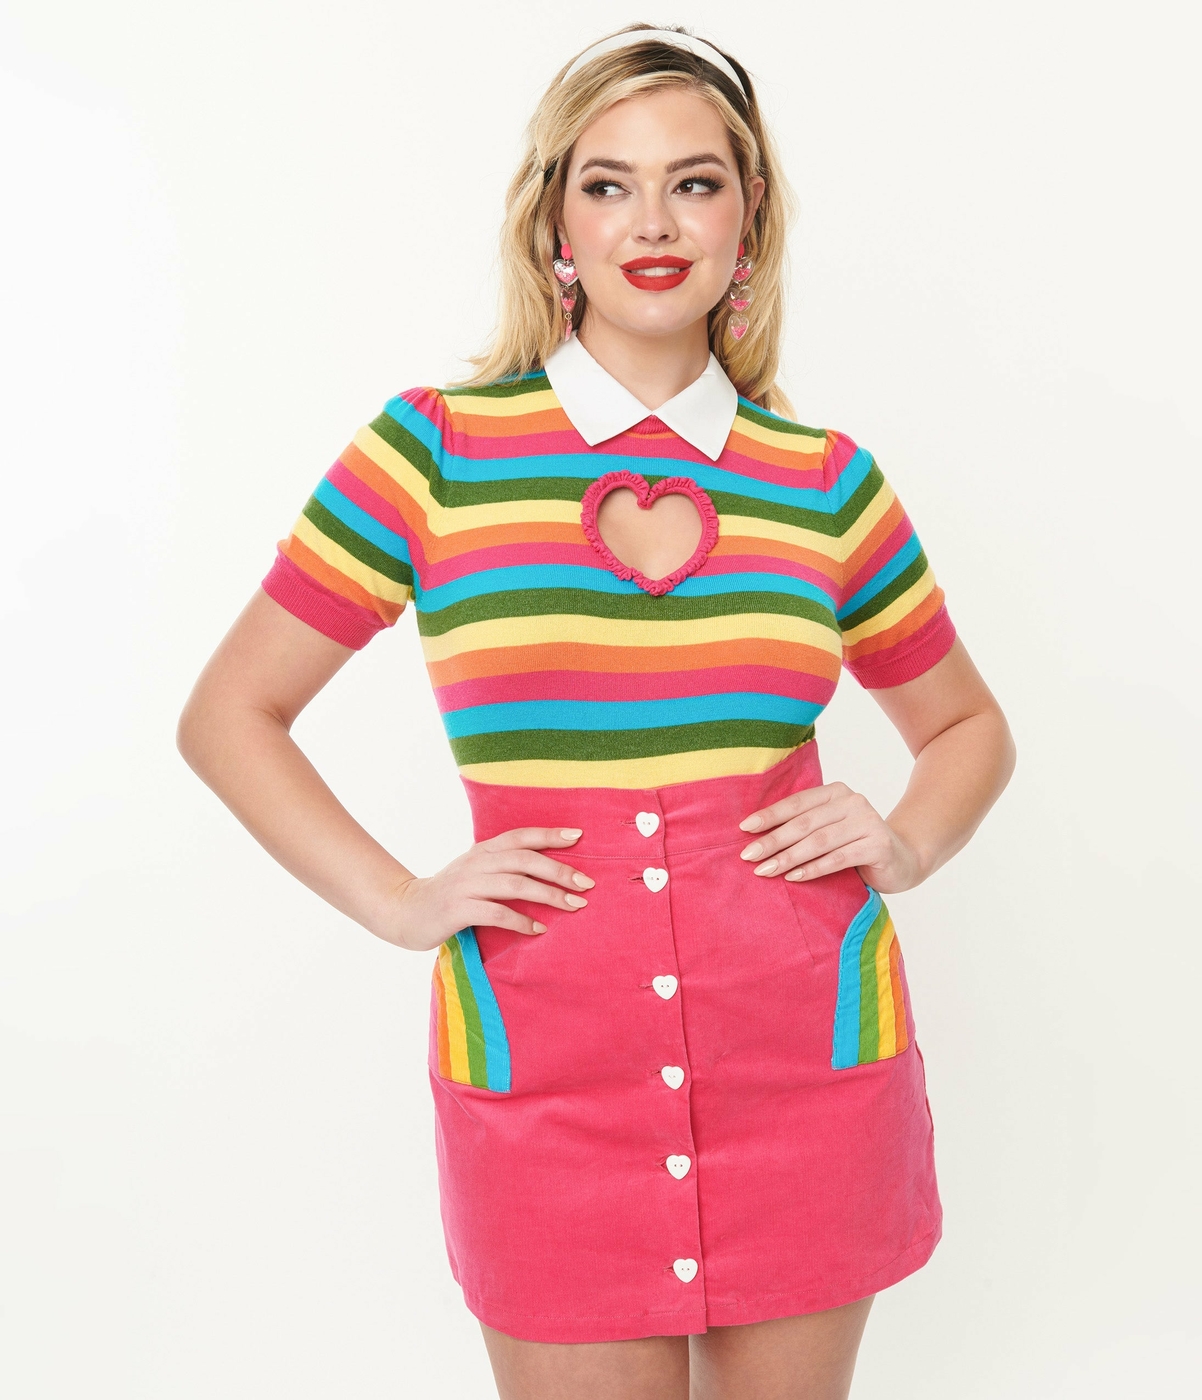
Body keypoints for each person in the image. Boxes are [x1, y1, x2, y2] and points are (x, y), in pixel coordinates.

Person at [178, 24, 1016, 1400]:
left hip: (800, 1064)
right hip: (546, 1071)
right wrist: (398, 901)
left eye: (695, 183)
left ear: (749, 218)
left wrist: (907, 841)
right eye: (608, 183)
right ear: (554, 223)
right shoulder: (434, 452)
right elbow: (231, 714)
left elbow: (968, 727)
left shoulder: (825, 482)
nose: (653, 222)